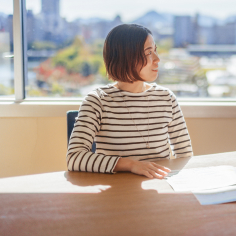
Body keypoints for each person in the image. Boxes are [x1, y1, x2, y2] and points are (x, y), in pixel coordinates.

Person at [67, 24, 193, 178]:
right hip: (116, 193)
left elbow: (185, 155)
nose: (157, 59)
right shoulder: (98, 101)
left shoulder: (167, 98)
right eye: (148, 53)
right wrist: (130, 164)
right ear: (126, 56)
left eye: (155, 50)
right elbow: (74, 158)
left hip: (159, 190)